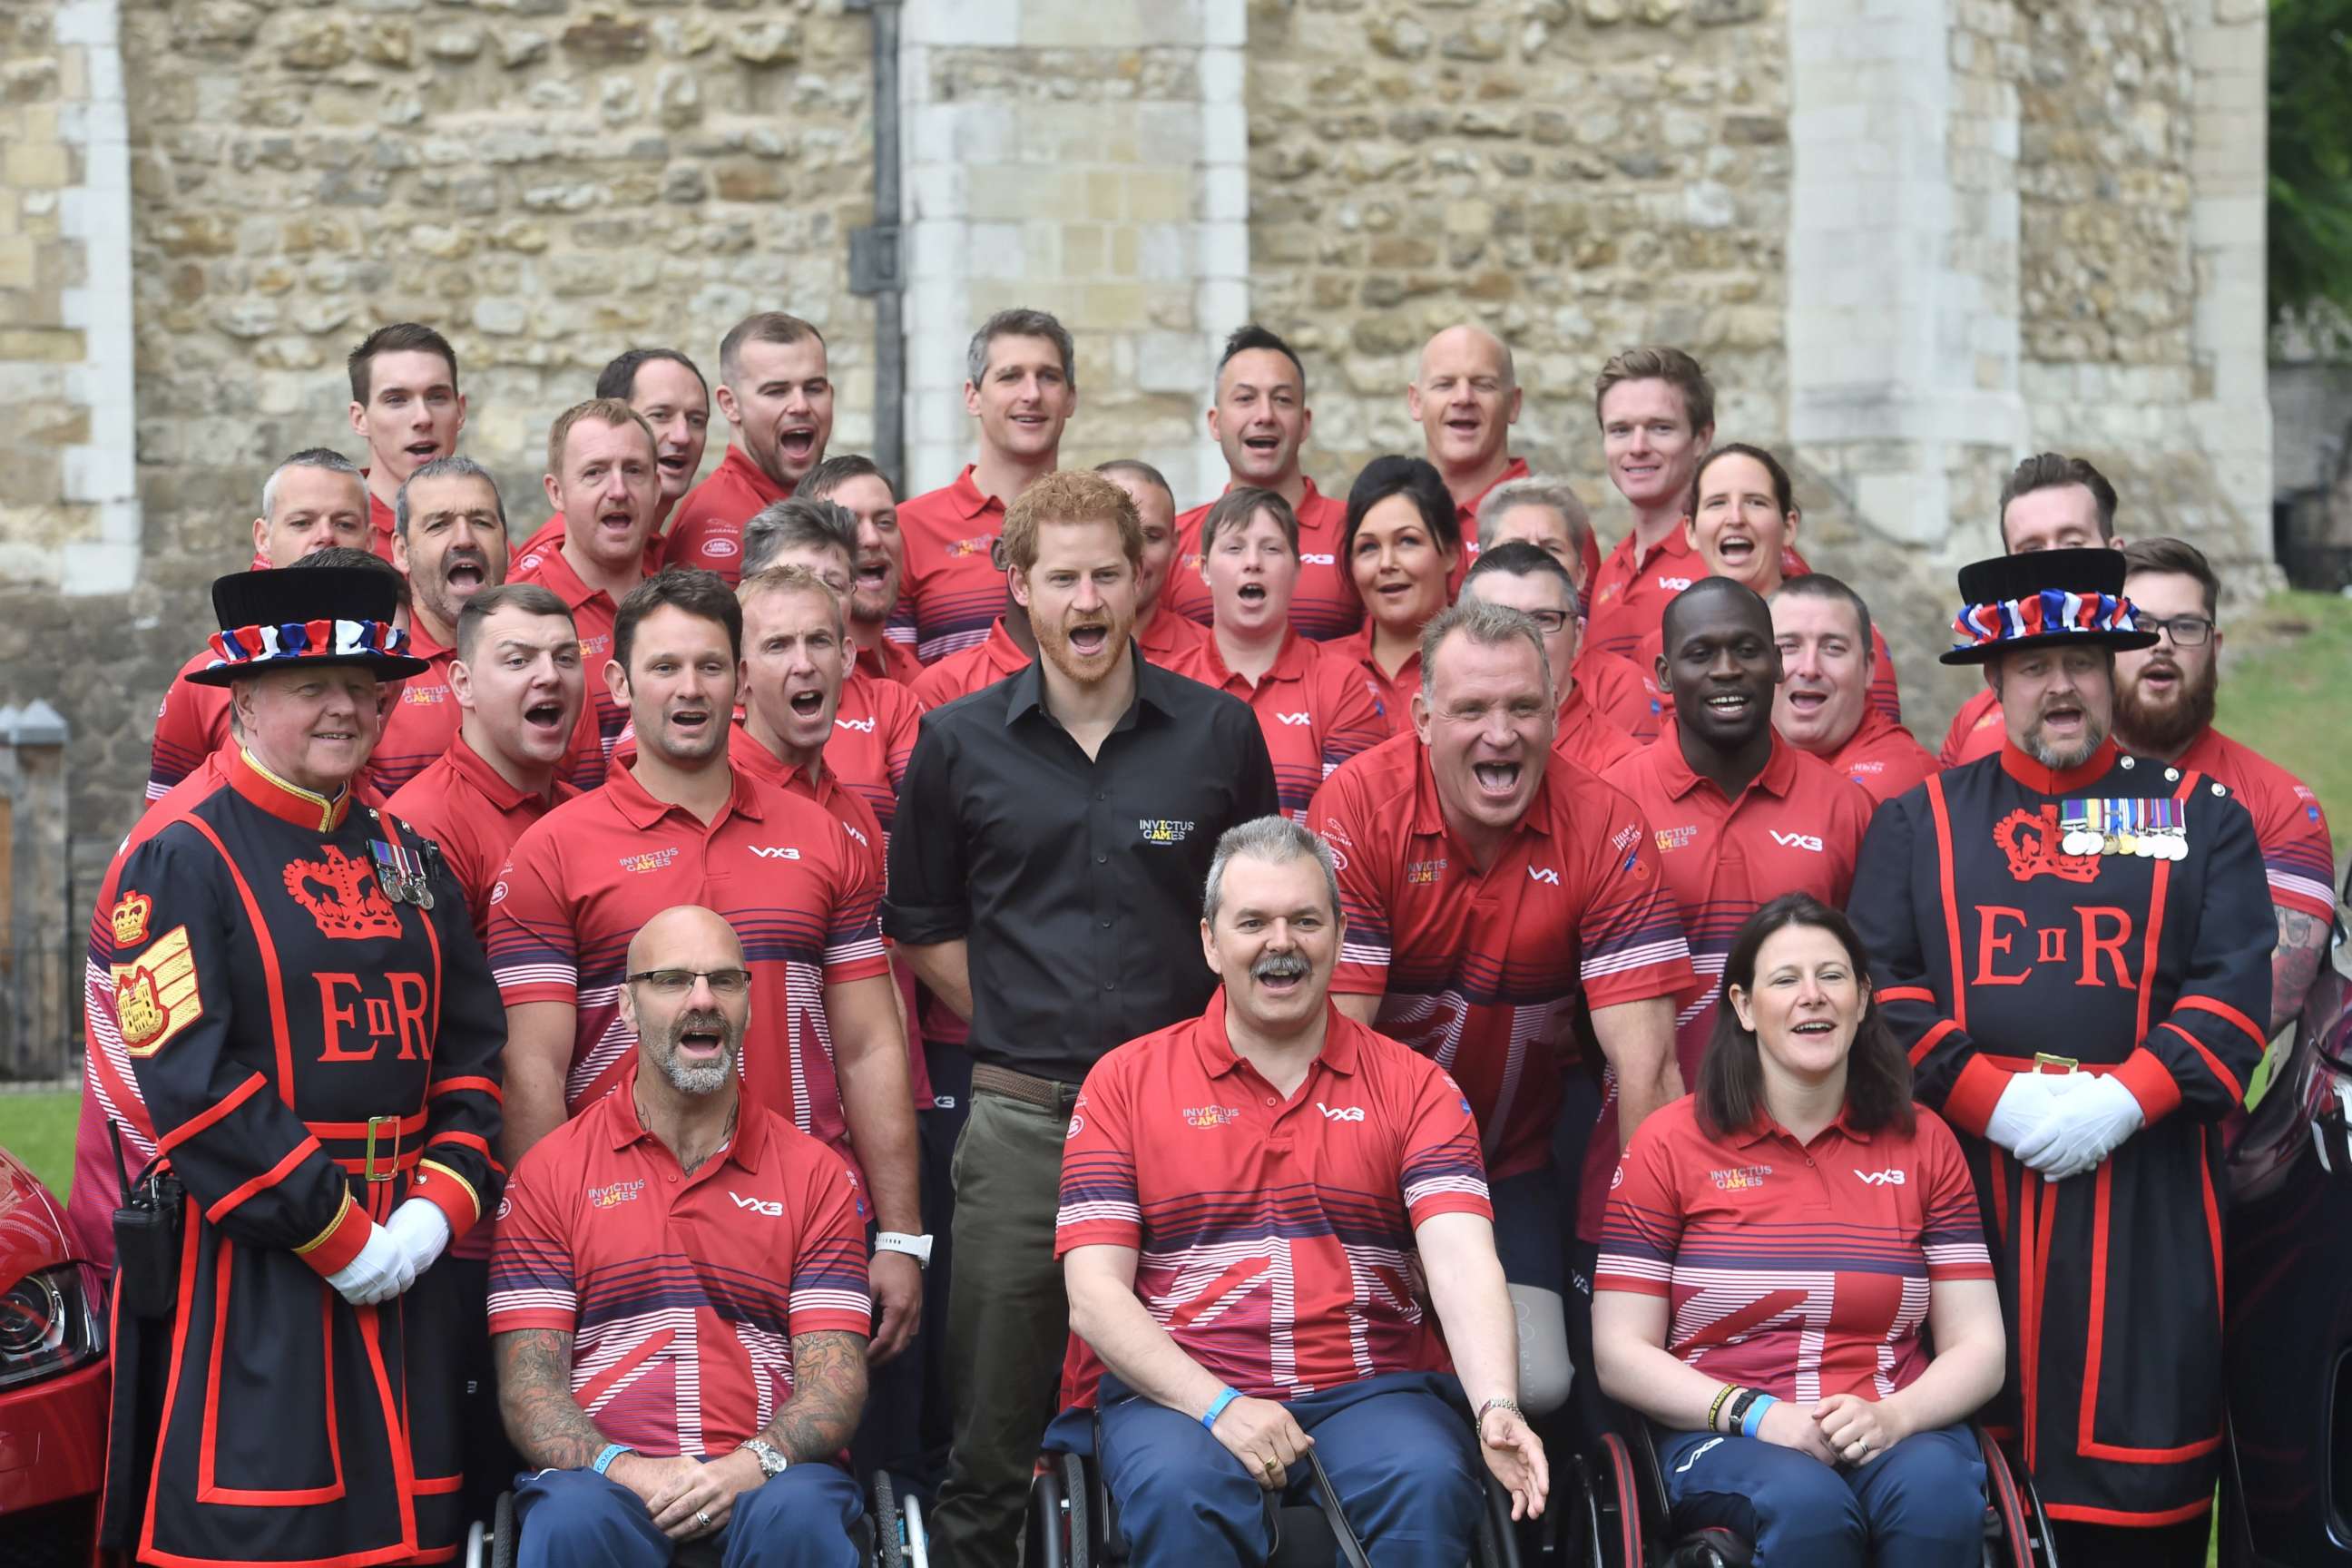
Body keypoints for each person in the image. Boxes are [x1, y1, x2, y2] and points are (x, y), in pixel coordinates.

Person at [1847, 546, 2273, 1565]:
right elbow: (1878, 989)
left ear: (2114, 670)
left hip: (2148, 1206)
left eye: (2083, 661)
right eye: (2035, 667)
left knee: (2145, 1502)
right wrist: (1993, 1097)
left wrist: (2122, 1100)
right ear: (1994, 683)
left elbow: (2234, 990)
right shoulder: (1921, 822)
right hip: (1964, 1199)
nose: (2062, 686)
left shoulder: (2195, 816)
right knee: (1960, 1505)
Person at [884, 469, 1278, 1565]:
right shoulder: (957, 743)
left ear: (1145, 580)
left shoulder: (1219, 736)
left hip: (1194, 1122)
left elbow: (1260, 918)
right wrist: (1016, 1005)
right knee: (992, 1434)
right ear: (1018, 587)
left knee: (1213, 1408)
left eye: (1109, 573)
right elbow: (919, 920)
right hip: (1023, 1123)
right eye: (1062, 577)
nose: (1088, 599)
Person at [97, 563, 505, 1567]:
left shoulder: (409, 855)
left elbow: (473, 1060)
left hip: (407, 1264)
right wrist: (340, 1234)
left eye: (363, 687)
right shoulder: (179, 857)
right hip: (259, 1275)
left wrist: (426, 1217)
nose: (346, 708)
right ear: (242, 701)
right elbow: (188, 1085)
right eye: (312, 686)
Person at [1061, 817, 1549, 1562]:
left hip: (1372, 1388)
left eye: (1305, 920)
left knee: (1428, 1478)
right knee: (1176, 1493)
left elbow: (1460, 1263)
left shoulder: (1417, 1087)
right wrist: (1219, 1407)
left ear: (1340, 936)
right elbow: (1094, 1295)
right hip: (1185, 1392)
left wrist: (1498, 1405)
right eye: (1253, 921)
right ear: (1209, 941)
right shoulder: (1124, 1082)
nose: (1280, 943)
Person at [489, 571, 926, 1373]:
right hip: (618, 1223)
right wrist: (550, 1237)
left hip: (807, 1218)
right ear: (618, 682)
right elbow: (532, 1068)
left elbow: (869, 1046)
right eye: (664, 667)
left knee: (813, 1476)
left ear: (740, 680)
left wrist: (899, 1236)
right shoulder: (552, 851)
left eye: (710, 666)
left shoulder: (826, 838)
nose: (689, 689)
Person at [1592, 895, 2005, 1568]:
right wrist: (1760, 1416)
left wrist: (1893, 1418)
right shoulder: (1670, 1142)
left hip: (1893, 1424)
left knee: (1935, 1498)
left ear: (1864, 998)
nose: (1812, 997)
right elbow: (1619, 1352)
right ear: (1745, 1007)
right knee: (1807, 1507)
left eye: (1833, 976)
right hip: (1726, 1429)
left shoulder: (1924, 1141)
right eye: (1785, 979)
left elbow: (1980, 1346)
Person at [1306, 598, 1691, 1302]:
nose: (1501, 733)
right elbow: (1336, 1048)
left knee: (1537, 1380)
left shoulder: (1607, 824)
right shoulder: (1358, 805)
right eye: (1473, 709)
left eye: (1523, 707)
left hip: (1509, 1162)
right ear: (1423, 720)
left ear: (1554, 711)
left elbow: (1650, 1070)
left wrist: (1649, 1267)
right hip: (1370, 1158)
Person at [490, 904, 872, 1568]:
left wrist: (748, 1466)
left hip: (770, 1479)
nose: (702, 1000)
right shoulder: (549, 1173)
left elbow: (835, 1383)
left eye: (723, 981)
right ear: (627, 1008)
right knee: (571, 1519)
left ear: (749, 1004)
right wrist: (632, 1471)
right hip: (606, 1482)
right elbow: (530, 1388)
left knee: (801, 1515)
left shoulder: (817, 1175)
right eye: (671, 981)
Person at [1601, 578, 1875, 1219]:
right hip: (1645, 1155)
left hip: (1811, 1169)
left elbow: (1868, 995)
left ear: (1776, 663)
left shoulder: (1845, 808)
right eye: (1702, 654)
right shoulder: (1609, 805)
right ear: (1666, 673)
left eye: (1748, 649)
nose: (1727, 669)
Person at [2112, 536, 2336, 1034]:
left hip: (2192, 1101)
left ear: (2214, 648)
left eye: (2185, 626)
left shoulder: (2282, 805)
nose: (2162, 642)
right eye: (2140, 625)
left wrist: (2126, 1096)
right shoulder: (2048, 784)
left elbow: (2264, 1003)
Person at [148, 448, 374, 799]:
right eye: (302, 522)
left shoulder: (404, 666)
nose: (325, 536)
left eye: (344, 524)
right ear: (263, 538)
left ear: (371, 541)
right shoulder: (204, 681)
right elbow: (164, 827)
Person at [1633, 444, 1900, 723]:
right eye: (1717, 503)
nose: (1735, 518)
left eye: (1756, 502)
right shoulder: (1659, 646)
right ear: (1690, 530)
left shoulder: (1847, 636)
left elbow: (1877, 745)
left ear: (1789, 527)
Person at [1164, 487, 1390, 817]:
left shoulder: (1344, 684)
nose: (1253, 562)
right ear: (1204, 570)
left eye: (1271, 548)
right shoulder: (1166, 685)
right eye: (1234, 548)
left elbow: (1351, 823)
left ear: (1298, 569)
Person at [385, 581, 587, 945]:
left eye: (565, 658)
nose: (551, 676)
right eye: (518, 661)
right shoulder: (416, 825)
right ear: (463, 683)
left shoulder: (584, 811)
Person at [734, 498, 926, 846]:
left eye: (833, 585)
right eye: (799, 578)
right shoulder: (707, 707)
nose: (815, 598)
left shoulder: (889, 703)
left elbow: (928, 829)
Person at [896, 308, 1079, 662]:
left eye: (1049, 377)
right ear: (973, 397)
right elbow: (895, 683)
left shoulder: (1099, 526)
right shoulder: (908, 529)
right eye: (1010, 377)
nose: (1032, 394)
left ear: (1071, 398)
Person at [1165, 324, 1361, 641]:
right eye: (1245, 398)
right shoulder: (1176, 542)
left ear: (1305, 422)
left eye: (1282, 400)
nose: (1265, 415)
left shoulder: (1355, 532)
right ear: (1215, 423)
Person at [1936, 453, 2123, 766]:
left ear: (2116, 556)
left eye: (2072, 544)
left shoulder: (2158, 695)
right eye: (2031, 550)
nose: (2049, 563)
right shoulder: (1975, 722)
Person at [513, 397, 665, 754]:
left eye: (633, 470)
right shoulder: (521, 613)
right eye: (594, 472)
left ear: (657, 487)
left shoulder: (677, 603)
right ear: (556, 491)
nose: (618, 490)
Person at [1409, 323, 1598, 590]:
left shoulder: (1554, 521)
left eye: (1483, 385)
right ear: (1415, 401)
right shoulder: (1394, 519)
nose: (1463, 398)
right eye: (1445, 384)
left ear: (1514, 404)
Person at [373, 455, 515, 793]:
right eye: (439, 525)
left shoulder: (550, 660)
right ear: (402, 551)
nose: (464, 539)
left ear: (507, 544)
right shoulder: (376, 665)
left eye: (481, 522)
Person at [1478, 478, 1658, 738]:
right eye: (1515, 547)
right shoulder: (1450, 669)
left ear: (1581, 574)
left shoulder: (1619, 684)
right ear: (1479, 569)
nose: (1533, 562)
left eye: (1552, 548)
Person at [512, 347, 710, 576]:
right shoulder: (554, 558)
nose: (682, 436)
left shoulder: (648, 548)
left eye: (696, 420)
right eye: (660, 415)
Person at [669, 313, 836, 582]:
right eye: (776, 391)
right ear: (730, 404)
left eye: (814, 388)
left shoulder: (825, 504)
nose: (801, 406)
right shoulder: (719, 523)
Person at [1461, 542, 1643, 776]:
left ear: (1577, 637)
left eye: (1543, 619)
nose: (1521, 638)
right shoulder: (1425, 751)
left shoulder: (1620, 768)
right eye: (1496, 619)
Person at [1583, 346, 1715, 662]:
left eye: (1660, 428)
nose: (1638, 447)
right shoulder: (1610, 569)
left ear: (1701, 438)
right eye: (1620, 430)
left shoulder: (1731, 555)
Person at [1769, 573, 1939, 804]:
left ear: (1868, 669)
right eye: (1789, 646)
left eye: (1832, 648)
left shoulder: (1903, 776)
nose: (1809, 668)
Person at [1330, 455, 1464, 719]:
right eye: (1368, 547)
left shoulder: (1485, 664)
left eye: (1407, 541)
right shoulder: (1319, 668)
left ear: (1450, 552)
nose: (1386, 564)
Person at [345, 321, 466, 559]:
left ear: (460, 411)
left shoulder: (487, 540)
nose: (423, 418)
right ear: (360, 419)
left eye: (437, 397)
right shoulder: (326, 532)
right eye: (396, 400)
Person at [803, 453, 924, 684]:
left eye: (884, 522)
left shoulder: (917, 675)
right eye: (848, 524)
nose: (872, 539)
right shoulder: (807, 681)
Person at [1098, 458, 1212, 670]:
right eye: (1116, 532)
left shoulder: (1210, 656)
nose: (1134, 553)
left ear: (1174, 545)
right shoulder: (1046, 644)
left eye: (1151, 536)